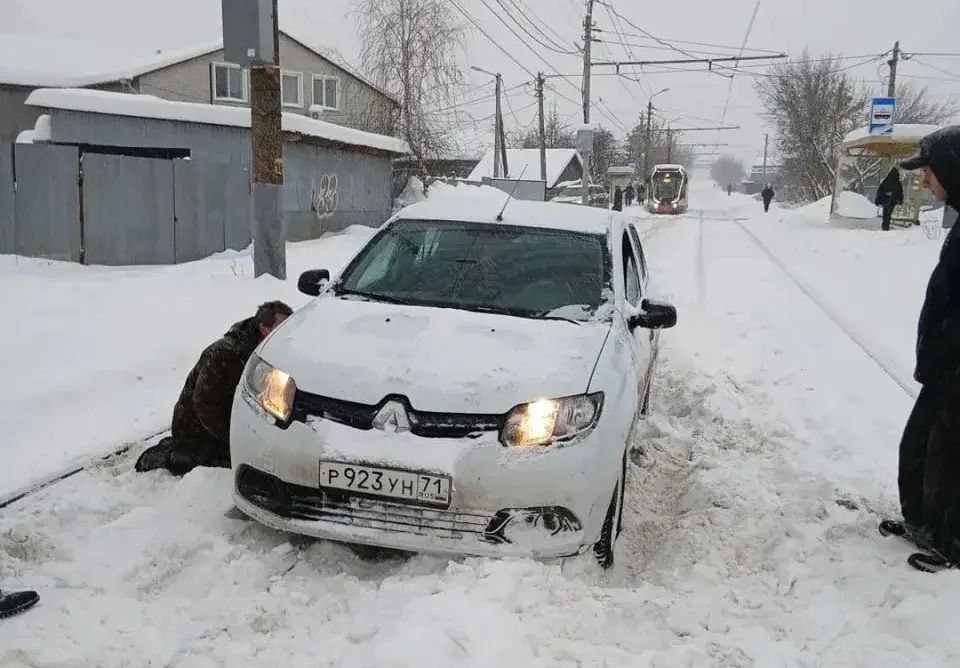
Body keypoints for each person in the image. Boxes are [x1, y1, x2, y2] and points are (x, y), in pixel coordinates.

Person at [879, 126, 960, 572]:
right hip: (945, 366)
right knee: (921, 447)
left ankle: (952, 542)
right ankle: (924, 522)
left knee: (950, 457)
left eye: (931, 171)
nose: (925, 180)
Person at [136, 301, 293, 476]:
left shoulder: (269, 351)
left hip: (233, 421)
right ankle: (170, 455)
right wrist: (235, 438)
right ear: (264, 328)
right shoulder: (226, 354)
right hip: (199, 430)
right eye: (281, 330)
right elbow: (204, 406)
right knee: (243, 466)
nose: (287, 336)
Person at [875, 167, 905, 232]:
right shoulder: (898, 183)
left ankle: (884, 226)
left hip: (885, 200)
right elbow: (900, 193)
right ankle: (886, 227)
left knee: (885, 213)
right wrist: (900, 201)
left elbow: (879, 191)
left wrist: (878, 200)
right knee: (889, 214)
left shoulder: (885, 181)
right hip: (892, 201)